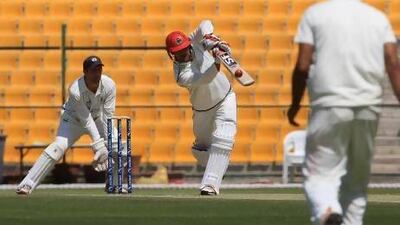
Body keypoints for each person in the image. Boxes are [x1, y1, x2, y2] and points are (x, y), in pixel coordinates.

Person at [288, 0, 400, 224]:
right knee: (357, 180)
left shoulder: (315, 14)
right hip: (368, 106)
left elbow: (302, 65)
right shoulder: (378, 18)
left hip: (330, 104)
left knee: (319, 174)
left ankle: (327, 211)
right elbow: (392, 63)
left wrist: (295, 104)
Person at [17, 55, 123, 195]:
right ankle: (27, 184)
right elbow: (86, 120)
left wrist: (107, 144)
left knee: (118, 147)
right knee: (58, 147)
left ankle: (113, 184)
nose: (97, 73)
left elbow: (108, 116)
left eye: (99, 69)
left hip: (98, 119)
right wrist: (99, 145)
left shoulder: (109, 85)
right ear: (85, 72)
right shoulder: (75, 90)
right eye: (93, 70)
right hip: (73, 120)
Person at [165, 20, 237, 195]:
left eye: (184, 51)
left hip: (225, 98)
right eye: (178, 54)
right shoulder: (181, 75)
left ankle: (210, 185)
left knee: (224, 136)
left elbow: (206, 23)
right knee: (200, 150)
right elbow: (206, 78)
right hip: (202, 110)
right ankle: (218, 166)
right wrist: (217, 60)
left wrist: (210, 38)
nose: (183, 56)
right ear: (172, 55)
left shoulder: (194, 42)